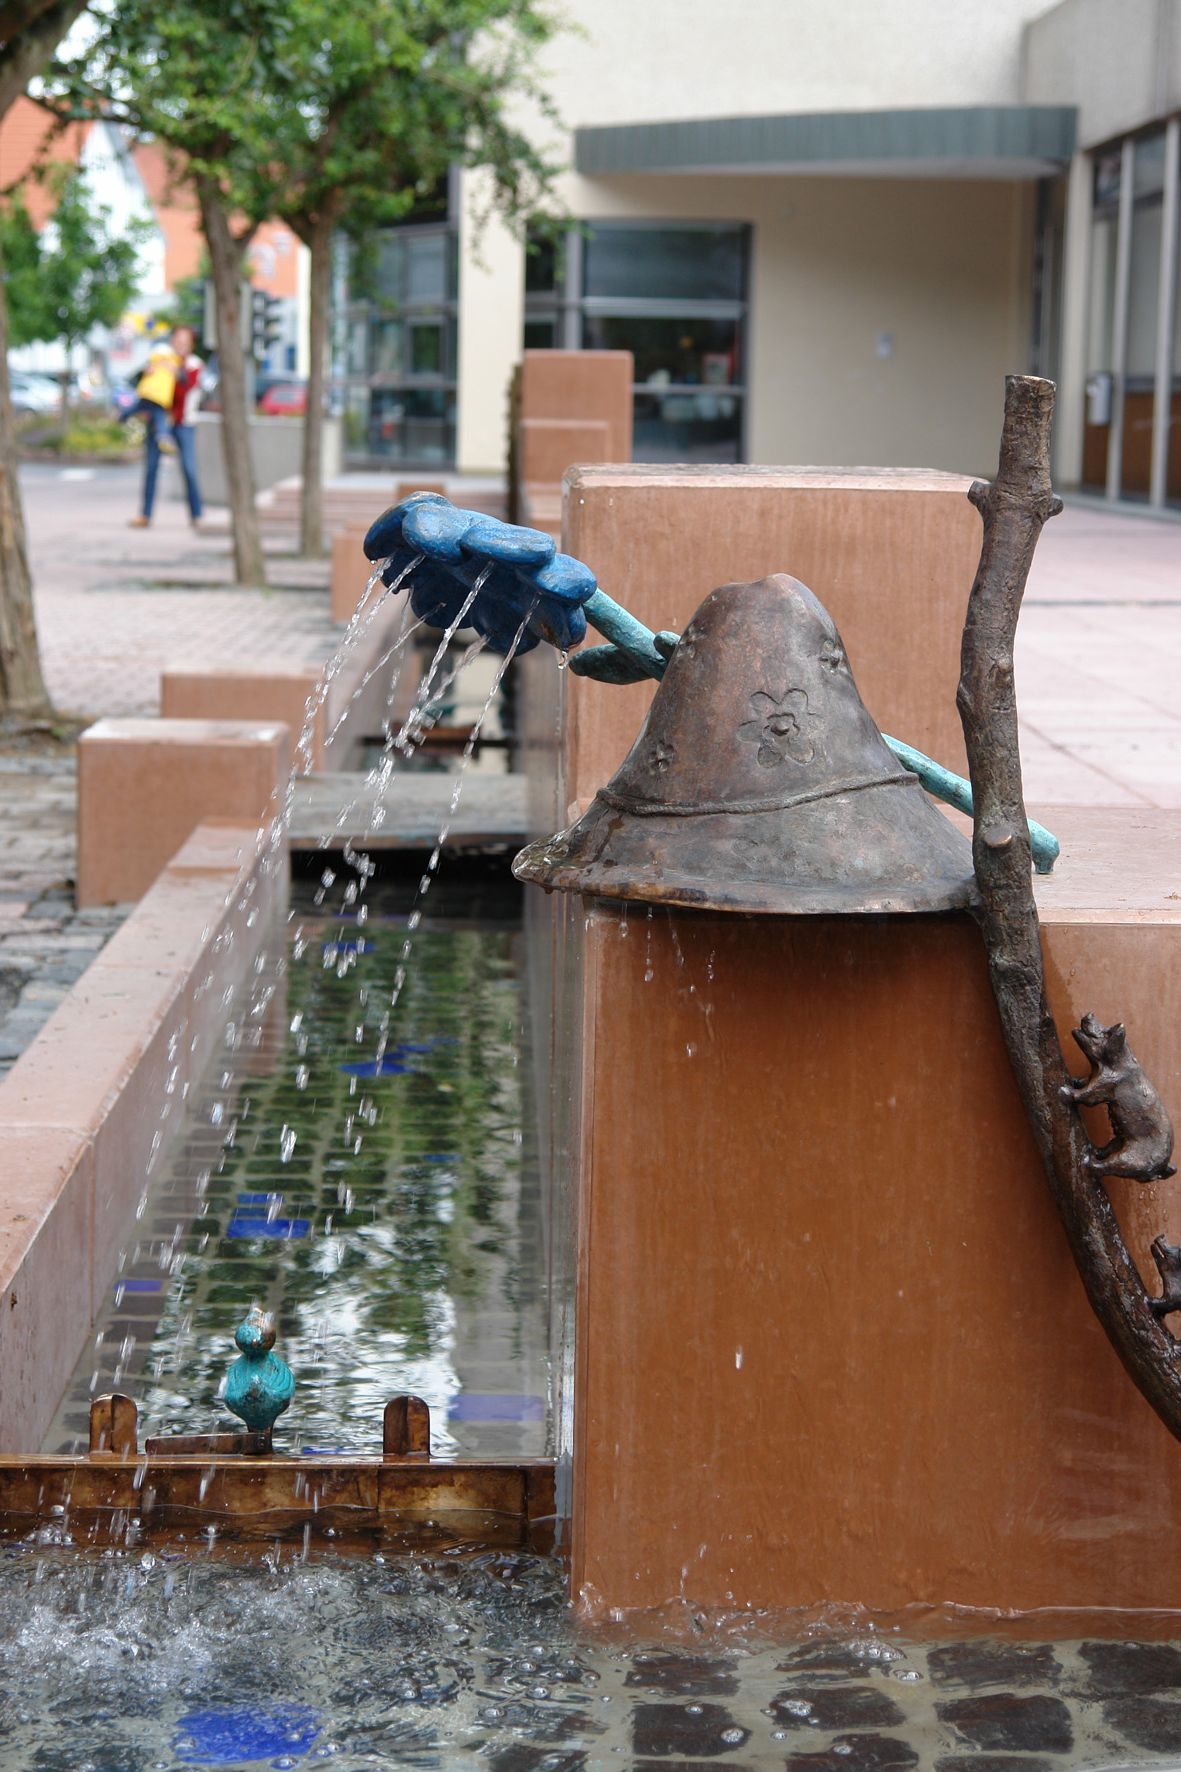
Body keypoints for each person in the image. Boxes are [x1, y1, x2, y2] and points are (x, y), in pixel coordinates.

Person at [129, 324, 204, 529]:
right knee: (151, 468)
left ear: (191, 344)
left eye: (185, 341)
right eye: (177, 340)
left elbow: (184, 392)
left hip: (182, 423)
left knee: (189, 469)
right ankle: (145, 514)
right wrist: (149, 372)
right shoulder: (160, 358)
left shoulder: (194, 365)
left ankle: (197, 515)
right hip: (158, 422)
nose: (180, 345)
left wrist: (176, 373)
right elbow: (143, 386)